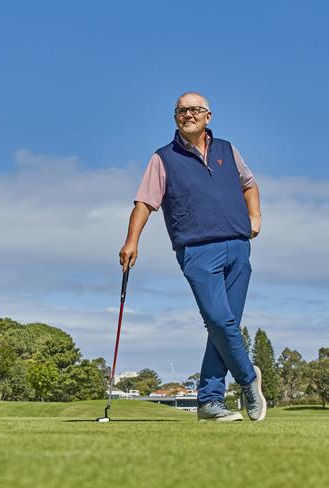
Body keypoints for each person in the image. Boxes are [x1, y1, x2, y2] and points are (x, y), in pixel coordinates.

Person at [119, 92, 266, 421]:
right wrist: (132, 241)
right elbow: (145, 202)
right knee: (218, 320)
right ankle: (247, 379)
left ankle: (210, 401)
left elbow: (250, 184)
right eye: (182, 111)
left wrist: (254, 217)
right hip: (196, 250)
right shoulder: (163, 158)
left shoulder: (228, 150)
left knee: (225, 325)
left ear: (208, 116)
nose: (189, 114)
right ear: (175, 118)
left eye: (195, 110)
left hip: (239, 246)